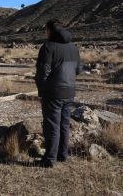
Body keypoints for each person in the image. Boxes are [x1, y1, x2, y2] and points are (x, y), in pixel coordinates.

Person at [34, 19, 83, 168]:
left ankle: (49, 160)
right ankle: (62, 155)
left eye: (46, 30)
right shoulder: (74, 48)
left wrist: (42, 90)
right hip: (69, 92)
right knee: (64, 124)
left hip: (53, 93)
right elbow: (79, 70)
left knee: (52, 126)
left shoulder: (48, 47)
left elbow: (43, 73)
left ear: (49, 30)